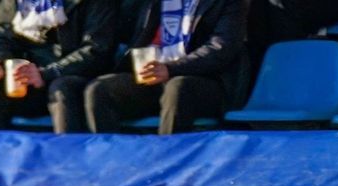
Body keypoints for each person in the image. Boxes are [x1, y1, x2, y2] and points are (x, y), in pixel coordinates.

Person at [83, 0, 247, 134]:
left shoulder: (229, 3)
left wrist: (171, 69)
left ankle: (168, 166)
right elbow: (122, 28)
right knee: (99, 89)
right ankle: (109, 164)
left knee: (178, 87)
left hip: (204, 81)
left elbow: (221, 48)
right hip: (153, 75)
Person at [0, 0, 114, 133]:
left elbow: (96, 49)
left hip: (73, 77)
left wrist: (47, 73)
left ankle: (67, 158)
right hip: (27, 79)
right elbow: (2, 36)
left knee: (61, 89)